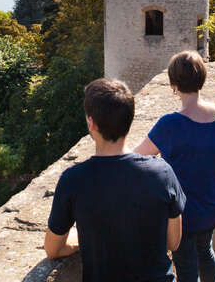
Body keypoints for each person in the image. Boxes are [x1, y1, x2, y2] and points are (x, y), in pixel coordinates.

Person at [45, 77, 186, 282]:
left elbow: (52, 249)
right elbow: (173, 242)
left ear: (91, 123)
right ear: (130, 120)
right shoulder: (162, 173)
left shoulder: (73, 180)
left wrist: (80, 241)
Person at [135, 51, 215, 282]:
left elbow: (135, 157)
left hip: (183, 213)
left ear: (173, 84)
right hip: (213, 204)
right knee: (206, 251)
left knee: (186, 266)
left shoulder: (170, 124)